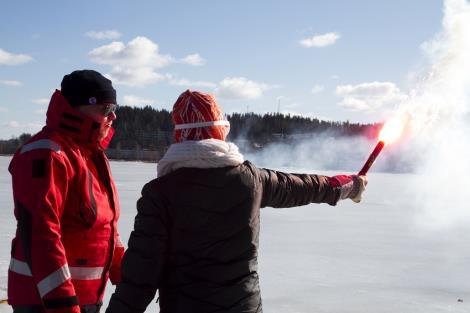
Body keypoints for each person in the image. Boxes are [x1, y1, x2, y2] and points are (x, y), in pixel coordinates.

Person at [106, 90, 367, 313]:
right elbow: (303, 187)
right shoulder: (251, 179)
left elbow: (140, 278)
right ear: (220, 130)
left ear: (179, 136)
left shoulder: (159, 193)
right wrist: (349, 186)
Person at [8, 70, 124, 313]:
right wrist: (63, 305)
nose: (112, 116)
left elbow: (105, 228)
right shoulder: (47, 153)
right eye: (105, 109)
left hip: (84, 299)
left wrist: (126, 274)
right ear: (78, 108)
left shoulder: (90, 155)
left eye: (114, 108)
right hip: (46, 303)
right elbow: (42, 236)